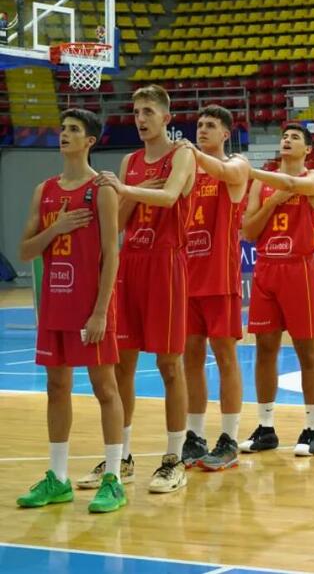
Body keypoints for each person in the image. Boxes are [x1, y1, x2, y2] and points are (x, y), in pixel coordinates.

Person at [16, 109, 126, 513]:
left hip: (90, 307)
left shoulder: (102, 189)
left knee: (105, 389)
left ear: (90, 142)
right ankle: (57, 479)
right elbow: (25, 250)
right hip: (54, 306)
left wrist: (101, 312)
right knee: (57, 389)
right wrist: (55, 229)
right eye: (62, 129)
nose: (64, 134)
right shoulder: (43, 189)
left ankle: (113, 478)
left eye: (73, 130)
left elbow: (111, 254)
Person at [93, 85, 195, 494]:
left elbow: (170, 197)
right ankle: (124, 458)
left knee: (170, 365)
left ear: (166, 118)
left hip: (167, 262)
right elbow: (117, 224)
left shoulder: (182, 154)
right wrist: (130, 194)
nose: (140, 118)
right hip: (130, 264)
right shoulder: (130, 160)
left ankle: (174, 458)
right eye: (136, 112)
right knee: (123, 367)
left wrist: (126, 190)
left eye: (149, 111)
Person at [240, 124, 314, 456]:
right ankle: (265, 427)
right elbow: (248, 230)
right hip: (266, 268)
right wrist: (273, 202)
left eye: (295, 138)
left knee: (307, 350)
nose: (287, 140)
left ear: (307, 149)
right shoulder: (262, 185)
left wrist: (254, 173)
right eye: (285, 137)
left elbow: (292, 183)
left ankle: (312, 427)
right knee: (264, 348)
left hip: (298, 268)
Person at [179, 106, 249, 472]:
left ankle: (229, 438)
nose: (202, 129)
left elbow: (221, 170)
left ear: (225, 133)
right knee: (190, 357)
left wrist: (191, 153)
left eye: (210, 125)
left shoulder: (237, 165)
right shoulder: (189, 170)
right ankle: (194, 435)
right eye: (199, 124)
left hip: (219, 278)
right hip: (186, 278)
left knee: (225, 357)